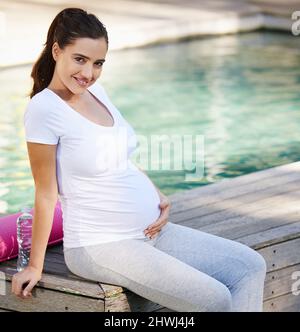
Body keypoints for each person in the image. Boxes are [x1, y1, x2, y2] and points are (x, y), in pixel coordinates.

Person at [11, 7, 267, 312]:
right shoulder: (44, 110)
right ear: (57, 51)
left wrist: (155, 192)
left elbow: (120, 156)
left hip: (153, 232)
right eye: (79, 59)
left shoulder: (98, 93)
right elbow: (44, 192)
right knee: (215, 299)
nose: (88, 73)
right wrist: (35, 266)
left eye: (98, 63)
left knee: (250, 265)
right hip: (101, 245)